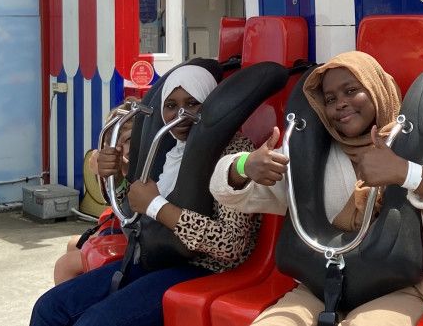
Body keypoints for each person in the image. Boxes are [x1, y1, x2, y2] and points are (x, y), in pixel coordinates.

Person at [210, 51, 423, 326]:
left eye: (351, 91)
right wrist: (243, 167)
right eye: (330, 98)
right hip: (320, 283)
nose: (340, 104)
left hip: (396, 286)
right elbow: (227, 194)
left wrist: (406, 173)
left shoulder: (419, 152)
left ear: (377, 90)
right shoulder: (313, 160)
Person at [31, 65, 260, 326]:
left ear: (210, 104)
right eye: (171, 105)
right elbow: (131, 213)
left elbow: (230, 245)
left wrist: (157, 206)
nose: (180, 114)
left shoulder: (234, 151)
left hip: (203, 267)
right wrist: (115, 175)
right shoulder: (165, 146)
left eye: (192, 103)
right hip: (155, 255)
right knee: (49, 308)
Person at [53, 100, 137, 285]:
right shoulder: (114, 167)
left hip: (133, 236)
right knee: (72, 244)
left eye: (131, 139)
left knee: (65, 265)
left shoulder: (142, 169)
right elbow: (96, 163)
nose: (125, 147)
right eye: (117, 140)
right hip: (117, 227)